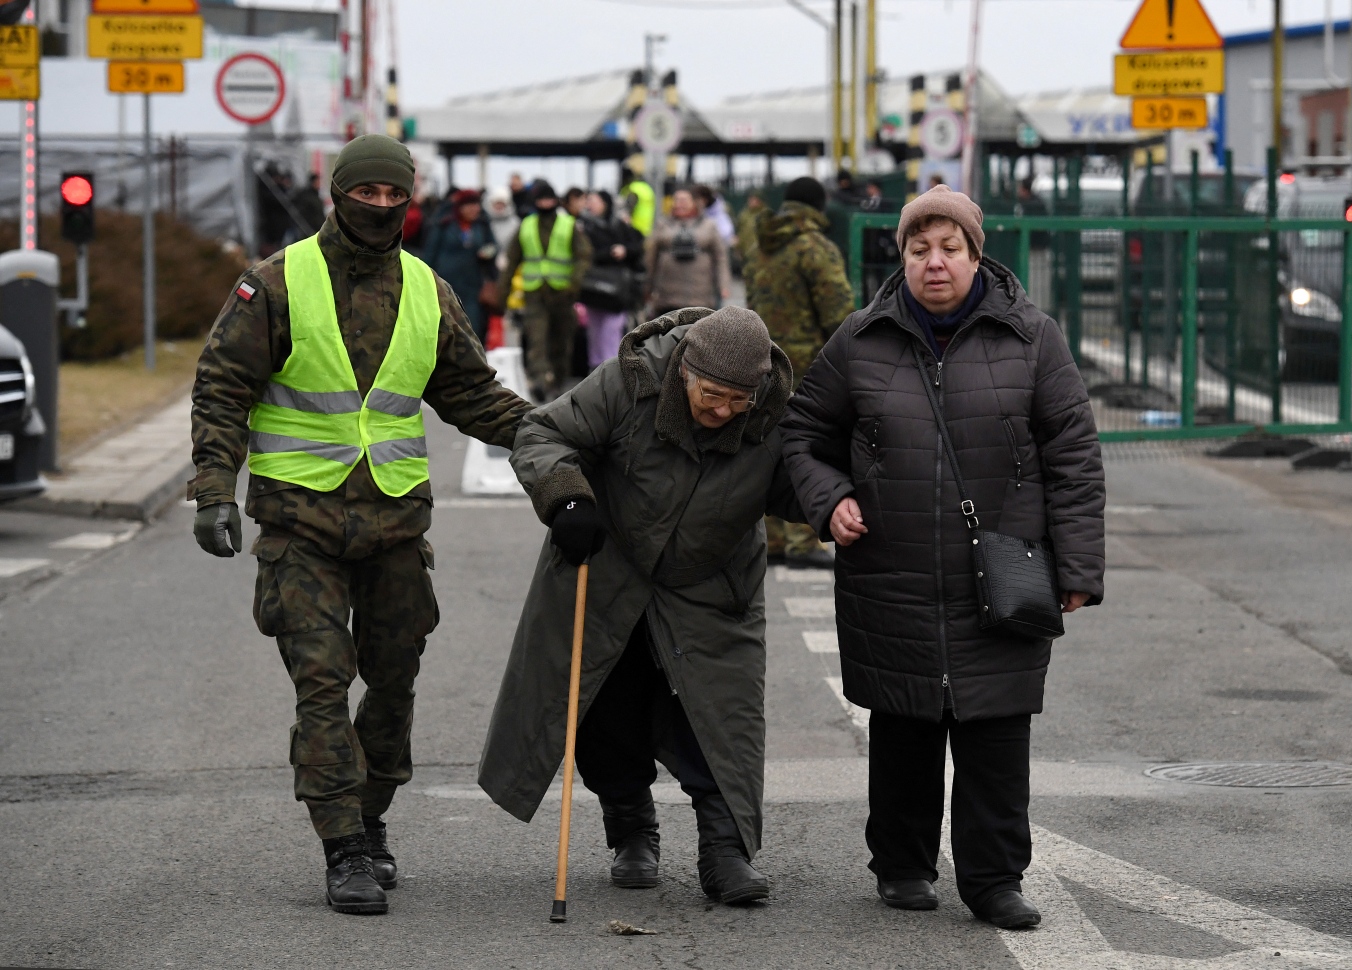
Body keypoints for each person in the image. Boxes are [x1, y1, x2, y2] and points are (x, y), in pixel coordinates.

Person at [188, 134, 533, 916]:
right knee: (322, 684)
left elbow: (474, 396)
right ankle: (342, 844)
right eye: (365, 193)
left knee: (394, 686)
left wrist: (561, 432)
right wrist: (213, 487)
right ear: (336, 194)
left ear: (409, 200)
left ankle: (372, 817)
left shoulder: (427, 290)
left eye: (393, 195)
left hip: (395, 526)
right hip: (299, 524)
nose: (379, 207)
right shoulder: (277, 282)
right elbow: (221, 386)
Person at [779, 185, 1104, 928]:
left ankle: (994, 882)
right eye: (919, 249)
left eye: (949, 249)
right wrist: (830, 500)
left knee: (996, 732)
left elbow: (1074, 455)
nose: (935, 263)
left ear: (975, 255)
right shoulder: (860, 338)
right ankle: (901, 864)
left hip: (1005, 575)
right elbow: (802, 431)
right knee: (903, 727)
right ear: (902, 258)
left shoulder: (1033, 338)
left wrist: (1079, 566)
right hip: (892, 571)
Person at [478, 306, 803, 906]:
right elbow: (542, 433)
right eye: (712, 395)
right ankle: (631, 829)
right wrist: (566, 498)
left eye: (738, 400)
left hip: (714, 581)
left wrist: (831, 498)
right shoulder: (632, 379)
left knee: (723, 713)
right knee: (606, 706)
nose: (724, 411)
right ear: (686, 372)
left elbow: (799, 478)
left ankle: (725, 850)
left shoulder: (774, 409)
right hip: (611, 566)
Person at [745, 176, 853, 569]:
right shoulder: (815, 248)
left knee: (767, 440)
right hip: (810, 365)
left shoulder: (760, 246)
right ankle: (803, 538)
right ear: (818, 208)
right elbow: (838, 312)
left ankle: (772, 538)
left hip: (764, 360)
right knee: (810, 447)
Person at [496, 179, 593, 399]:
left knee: (561, 342)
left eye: (548, 198)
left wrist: (574, 284)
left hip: (563, 293)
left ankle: (557, 381)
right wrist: (503, 294)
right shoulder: (527, 225)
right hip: (535, 293)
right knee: (536, 340)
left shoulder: (567, 224)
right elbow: (512, 260)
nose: (545, 203)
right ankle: (540, 382)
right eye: (541, 199)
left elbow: (583, 256)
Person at [422, 188, 500, 342]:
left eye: (476, 205)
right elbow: (430, 253)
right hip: (445, 285)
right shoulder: (443, 224)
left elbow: (493, 246)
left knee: (472, 327)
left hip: (473, 286)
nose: (474, 209)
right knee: (446, 328)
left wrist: (488, 252)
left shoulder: (481, 225)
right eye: (470, 206)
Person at [579, 189, 645, 368]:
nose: (589, 205)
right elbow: (585, 254)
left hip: (616, 291)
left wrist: (624, 250)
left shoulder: (619, 225)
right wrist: (608, 253)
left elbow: (638, 246)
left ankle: (611, 369)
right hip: (593, 288)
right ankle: (596, 370)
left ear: (605, 203)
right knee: (594, 332)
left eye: (594, 200)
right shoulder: (584, 227)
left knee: (611, 330)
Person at [644, 189, 729, 317]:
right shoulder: (663, 225)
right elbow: (651, 258)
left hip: (700, 298)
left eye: (684, 200)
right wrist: (647, 287)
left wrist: (723, 285)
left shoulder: (708, 225)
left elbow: (720, 258)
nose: (679, 204)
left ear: (695, 203)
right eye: (676, 200)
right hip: (666, 298)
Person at [691, 183, 736, 248]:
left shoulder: (718, 214)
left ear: (704, 200)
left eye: (696, 199)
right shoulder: (696, 213)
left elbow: (726, 234)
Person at [619, 164, 657, 237]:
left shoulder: (633, 189)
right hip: (647, 228)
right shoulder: (647, 188)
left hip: (634, 229)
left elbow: (628, 208)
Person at [291, 171, 326, 241]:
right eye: (317, 182)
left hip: (318, 229)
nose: (319, 184)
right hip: (309, 230)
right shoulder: (307, 196)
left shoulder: (316, 196)